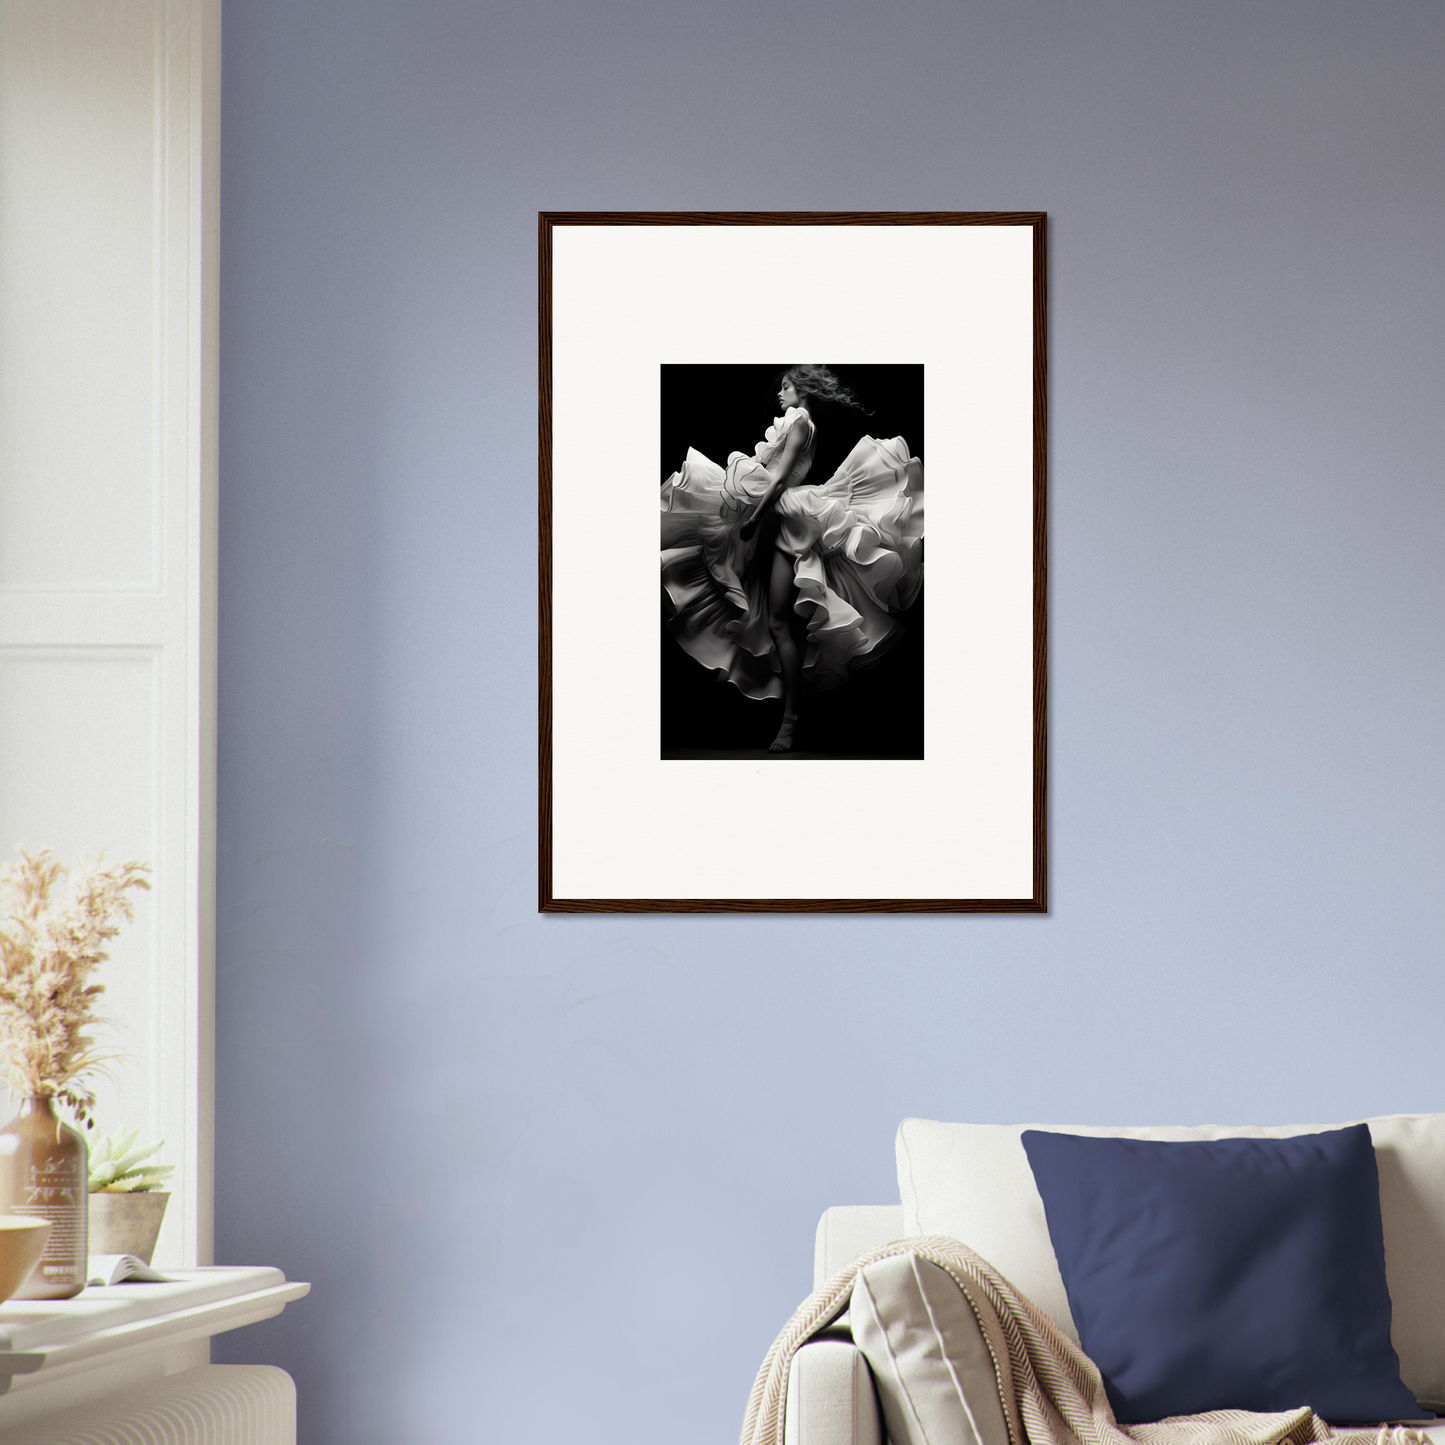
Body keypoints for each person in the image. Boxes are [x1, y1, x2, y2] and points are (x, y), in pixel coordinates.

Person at [660, 366, 923, 754]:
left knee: (783, 621)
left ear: (803, 389)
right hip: (771, 517)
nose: (780, 394)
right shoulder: (790, 423)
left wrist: (750, 518)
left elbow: (781, 480)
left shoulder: (801, 423)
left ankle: (792, 719)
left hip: (784, 516)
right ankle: (795, 706)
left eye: (786, 387)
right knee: (773, 617)